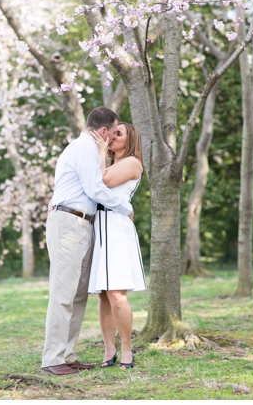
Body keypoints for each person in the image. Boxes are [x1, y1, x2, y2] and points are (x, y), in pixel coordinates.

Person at [41, 107, 134, 376]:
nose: (114, 136)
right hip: (69, 223)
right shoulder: (83, 148)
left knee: (78, 294)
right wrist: (124, 208)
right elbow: (95, 188)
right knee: (63, 293)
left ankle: (67, 354)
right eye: (113, 131)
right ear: (103, 131)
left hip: (83, 223)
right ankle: (52, 358)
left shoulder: (90, 150)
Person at [87, 122, 146, 370]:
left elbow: (102, 182)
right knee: (103, 294)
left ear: (129, 140)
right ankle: (109, 348)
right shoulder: (111, 162)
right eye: (111, 132)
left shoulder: (132, 163)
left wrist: (100, 153)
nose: (111, 137)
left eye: (118, 134)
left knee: (117, 295)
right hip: (99, 226)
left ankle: (127, 349)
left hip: (116, 229)